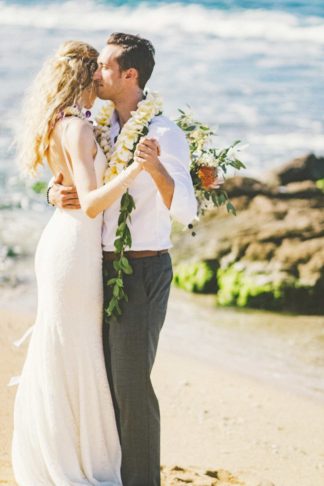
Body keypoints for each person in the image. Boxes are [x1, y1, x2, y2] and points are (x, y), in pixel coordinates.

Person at [49, 33, 197, 486]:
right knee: (102, 383)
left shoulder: (163, 133)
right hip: (96, 267)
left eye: (106, 67)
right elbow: (78, 182)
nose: (96, 74)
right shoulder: (97, 123)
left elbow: (187, 211)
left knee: (131, 387)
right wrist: (53, 193)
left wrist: (152, 168)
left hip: (143, 268)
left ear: (129, 75)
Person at [11, 39, 148, 485]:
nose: (104, 79)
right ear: (88, 77)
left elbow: (68, 186)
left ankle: (59, 455)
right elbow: (90, 203)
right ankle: (78, 462)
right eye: (99, 72)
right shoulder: (80, 128)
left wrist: (56, 190)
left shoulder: (62, 122)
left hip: (65, 242)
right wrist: (135, 170)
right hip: (74, 248)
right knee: (77, 354)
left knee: (65, 351)